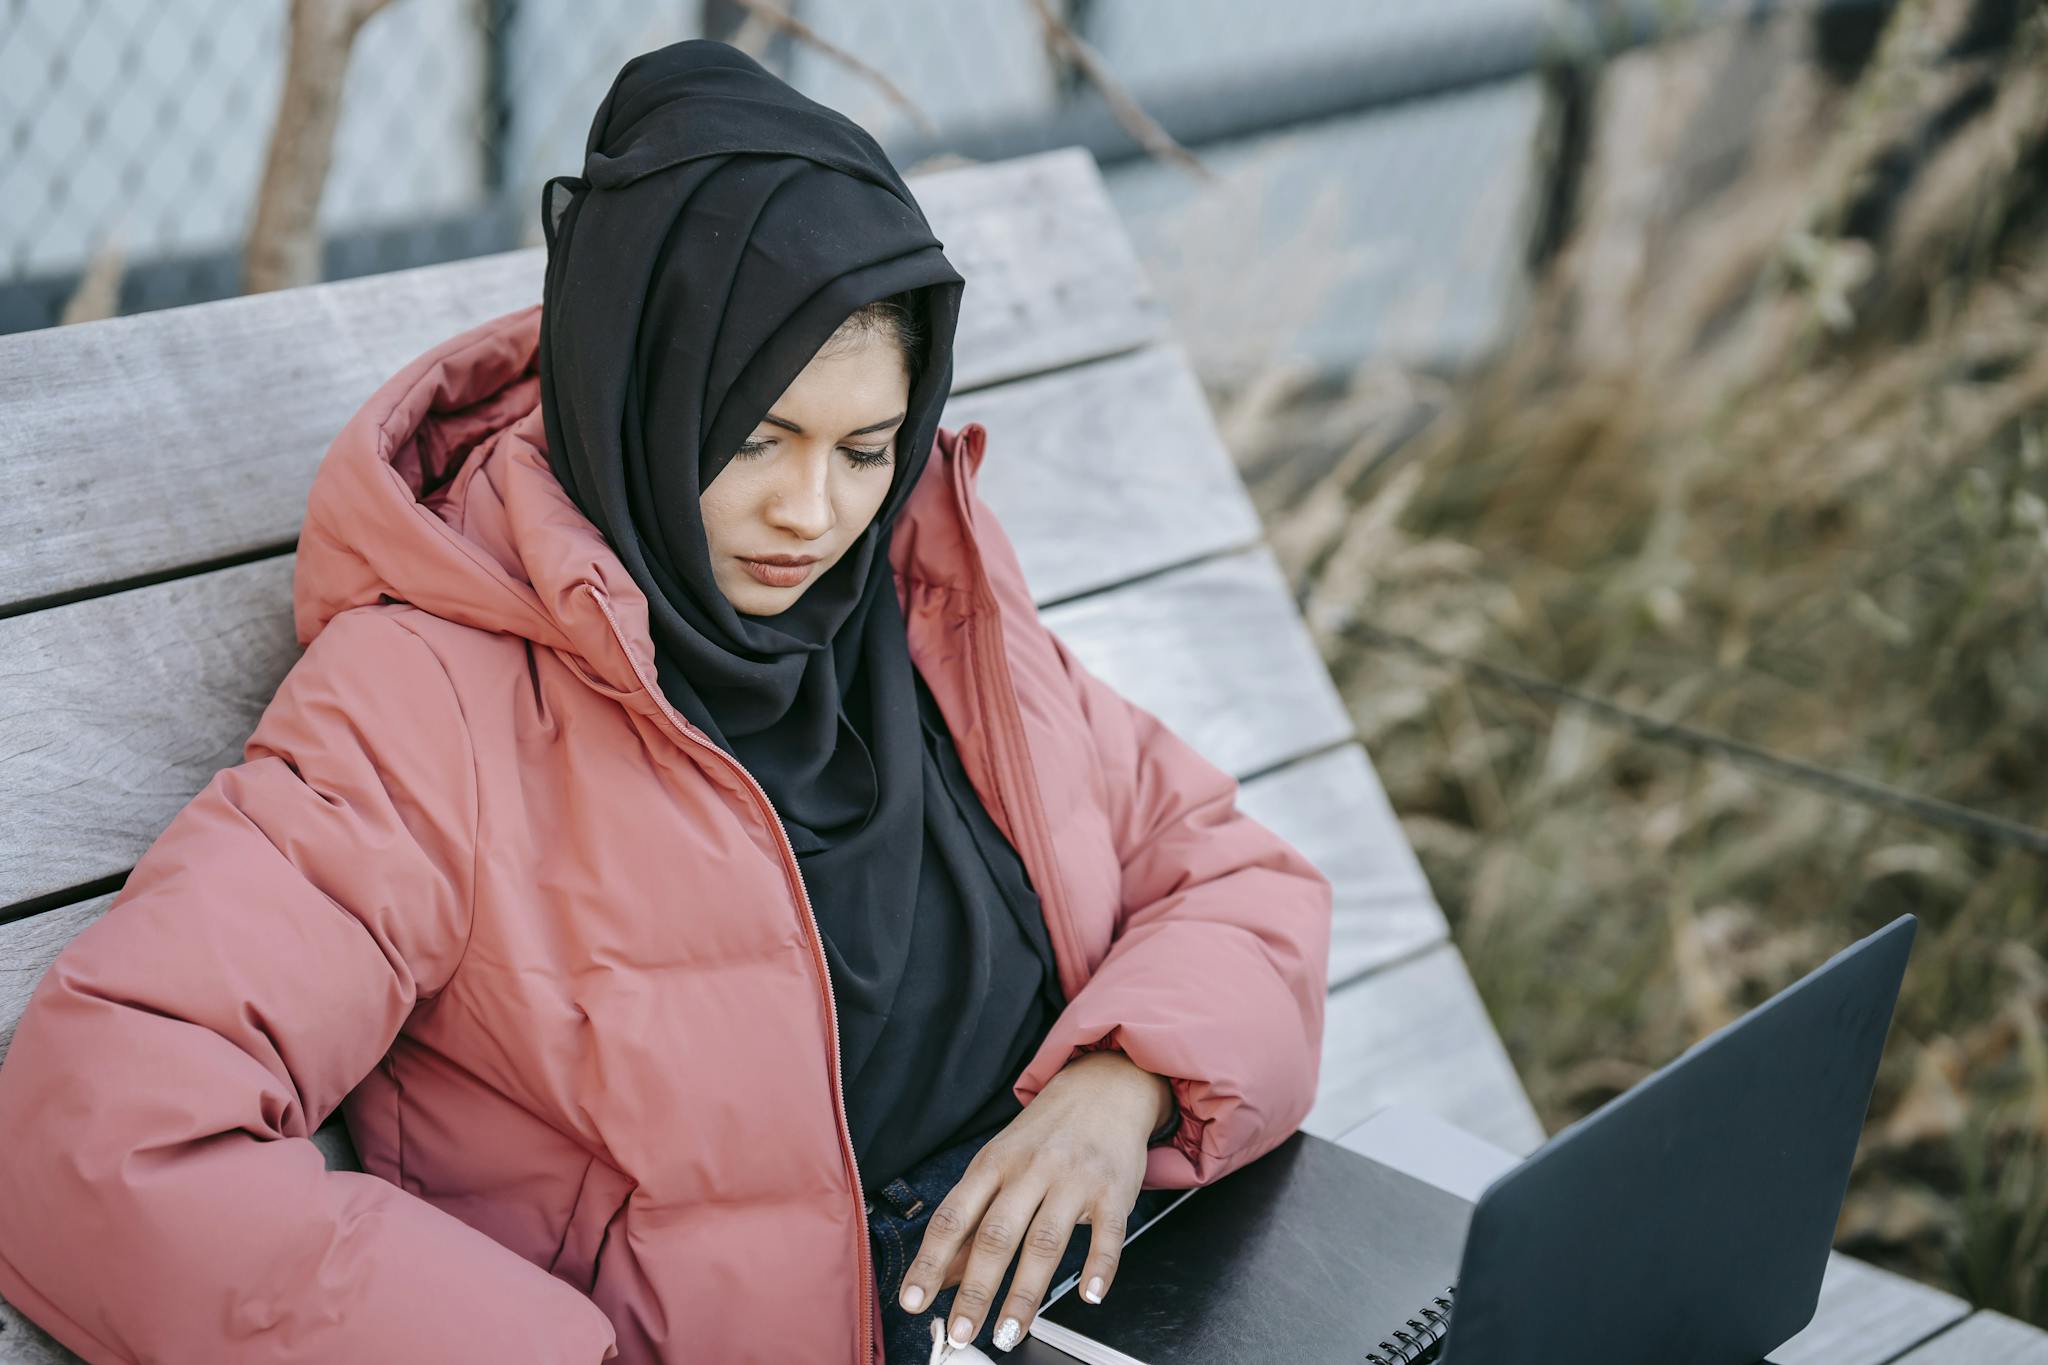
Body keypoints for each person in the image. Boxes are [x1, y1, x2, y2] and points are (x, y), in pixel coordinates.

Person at [0, 38, 1332, 1365]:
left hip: (1119, 1291)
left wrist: (1120, 1082)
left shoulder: (922, 611)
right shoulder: (433, 701)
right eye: (754, 436)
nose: (813, 515)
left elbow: (1238, 881)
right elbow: (101, 1133)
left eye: (866, 447)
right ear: (638, 388)